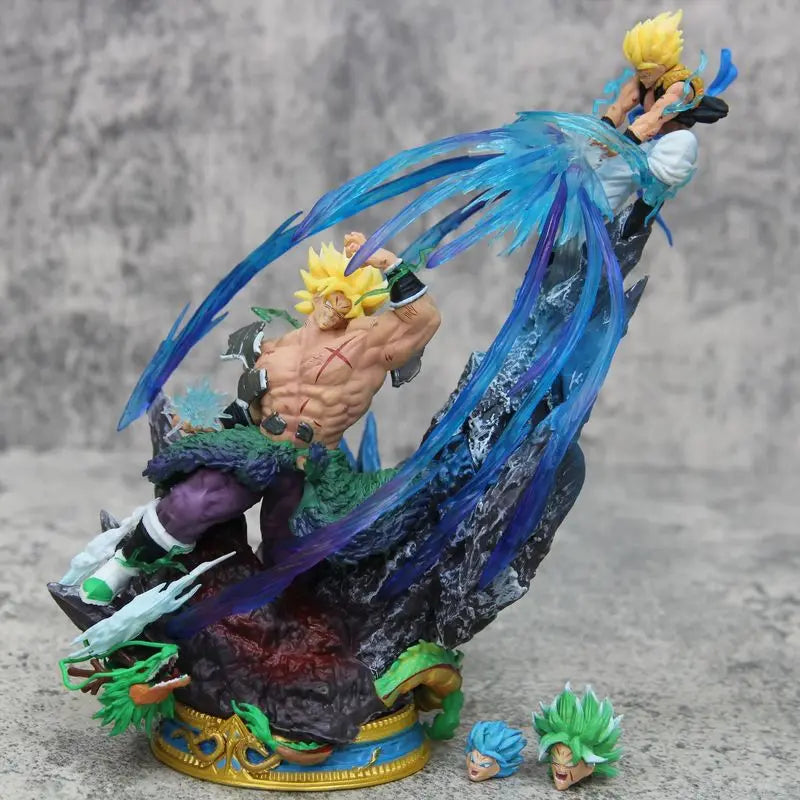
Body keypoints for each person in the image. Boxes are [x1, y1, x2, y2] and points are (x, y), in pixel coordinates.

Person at [77, 232, 441, 605]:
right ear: (316, 291)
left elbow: (424, 320)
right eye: (332, 296)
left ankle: (279, 615)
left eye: (347, 301)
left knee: (293, 554)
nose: (337, 307)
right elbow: (251, 407)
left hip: (312, 464)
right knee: (193, 501)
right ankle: (121, 567)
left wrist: (386, 263)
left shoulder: (365, 343)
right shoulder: (274, 349)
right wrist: (214, 427)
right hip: (261, 446)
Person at [595, 10, 729, 235]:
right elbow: (619, 107)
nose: (642, 74)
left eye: (646, 70)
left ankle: (645, 208)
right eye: (639, 69)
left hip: (668, 147)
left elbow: (653, 119)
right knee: (603, 181)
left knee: (683, 143)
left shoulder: (679, 87)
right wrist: (601, 132)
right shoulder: (642, 78)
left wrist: (621, 145)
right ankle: (582, 233)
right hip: (644, 145)